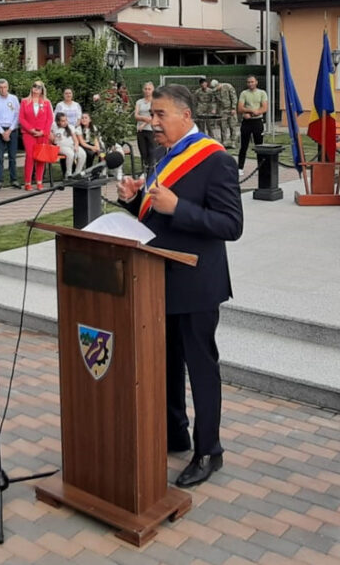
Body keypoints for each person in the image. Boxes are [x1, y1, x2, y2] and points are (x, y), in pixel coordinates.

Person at [115, 84, 243, 489]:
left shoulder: (215, 160)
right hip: (159, 279)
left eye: (161, 115)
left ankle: (209, 451)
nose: (153, 122)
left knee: (200, 369)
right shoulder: (164, 154)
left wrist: (179, 208)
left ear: (186, 116)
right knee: (166, 365)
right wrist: (134, 201)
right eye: (152, 114)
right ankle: (175, 433)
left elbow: (231, 225)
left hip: (197, 283)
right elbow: (158, 215)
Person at [18, 81, 53, 190]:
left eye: (39, 87)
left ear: (42, 89)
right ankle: (28, 182)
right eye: (35, 86)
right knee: (30, 156)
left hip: (42, 134)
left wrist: (44, 131)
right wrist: (31, 129)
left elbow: (50, 119)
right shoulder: (24, 101)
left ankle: (39, 181)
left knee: (41, 157)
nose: (36, 88)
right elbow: (21, 118)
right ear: (32, 88)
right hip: (29, 133)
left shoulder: (46, 102)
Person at [0, 79, 21, 189]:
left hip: (12, 129)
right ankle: (0, 181)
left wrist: (9, 130)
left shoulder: (14, 99)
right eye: (0, 87)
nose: (3, 89)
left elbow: (18, 115)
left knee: (12, 157)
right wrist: (3, 132)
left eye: (4, 87)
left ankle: (14, 179)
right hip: (0, 130)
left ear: (8, 87)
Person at [236, 76, 269, 167]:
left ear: (256, 82)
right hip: (246, 122)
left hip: (257, 122)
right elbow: (240, 108)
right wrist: (250, 111)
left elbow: (264, 108)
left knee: (259, 146)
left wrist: (256, 113)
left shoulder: (262, 93)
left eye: (252, 82)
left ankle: (261, 167)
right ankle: (240, 168)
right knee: (243, 146)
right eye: (248, 82)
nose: (250, 84)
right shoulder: (244, 93)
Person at [135, 82, 159, 173]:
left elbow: (153, 116)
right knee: (143, 152)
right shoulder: (139, 102)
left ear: (153, 90)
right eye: (145, 89)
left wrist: (143, 123)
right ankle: (144, 171)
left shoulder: (155, 101)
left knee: (152, 152)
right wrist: (144, 119)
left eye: (149, 89)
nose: (147, 91)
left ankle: (152, 172)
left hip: (151, 130)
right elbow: (136, 115)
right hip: (140, 131)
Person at [51, 111, 82, 177]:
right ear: (58, 122)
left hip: (71, 146)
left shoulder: (70, 127)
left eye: (66, 120)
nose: (65, 122)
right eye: (63, 121)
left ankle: (77, 173)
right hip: (60, 147)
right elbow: (52, 140)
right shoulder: (54, 127)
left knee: (82, 154)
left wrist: (76, 146)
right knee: (70, 154)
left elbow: (76, 140)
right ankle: (68, 174)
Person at [215, 78, 238, 145]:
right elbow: (216, 101)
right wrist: (216, 110)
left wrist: (233, 108)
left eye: (217, 87)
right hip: (222, 110)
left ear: (218, 84)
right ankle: (224, 141)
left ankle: (233, 141)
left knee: (232, 126)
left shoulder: (228, 86)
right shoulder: (215, 91)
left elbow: (234, 97)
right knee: (223, 126)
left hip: (230, 109)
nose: (216, 89)